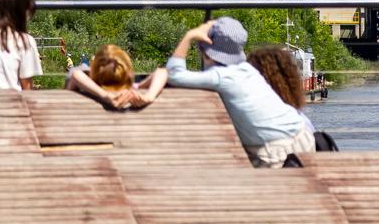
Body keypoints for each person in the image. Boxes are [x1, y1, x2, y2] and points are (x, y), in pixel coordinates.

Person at [164, 17, 314, 167]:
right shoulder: (247, 70)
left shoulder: (221, 76)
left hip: (275, 151)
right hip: (302, 135)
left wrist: (189, 36)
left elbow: (174, 74)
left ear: (206, 52)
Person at [66, 43, 169, 110]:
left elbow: (76, 75)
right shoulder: (132, 90)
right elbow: (162, 72)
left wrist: (105, 95)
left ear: (94, 71)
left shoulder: (88, 88)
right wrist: (149, 96)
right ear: (129, 72)